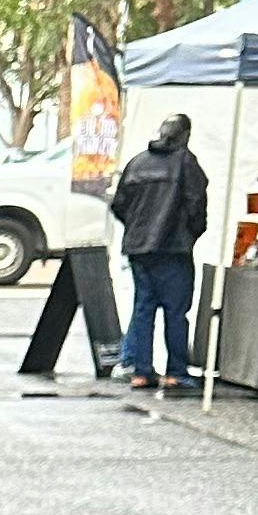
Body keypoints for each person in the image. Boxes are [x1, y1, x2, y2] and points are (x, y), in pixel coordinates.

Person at [111, 111, 210, 393]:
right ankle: (176, 372)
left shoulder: (137, 163)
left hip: (139, 248)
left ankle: (142, 371)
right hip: (173, 248)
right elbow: (196, 204)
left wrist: (136, 228)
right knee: (176, 312)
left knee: (143, 309)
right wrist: (191, 233)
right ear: (185, 135)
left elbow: (119, 204)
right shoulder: (186, 163)